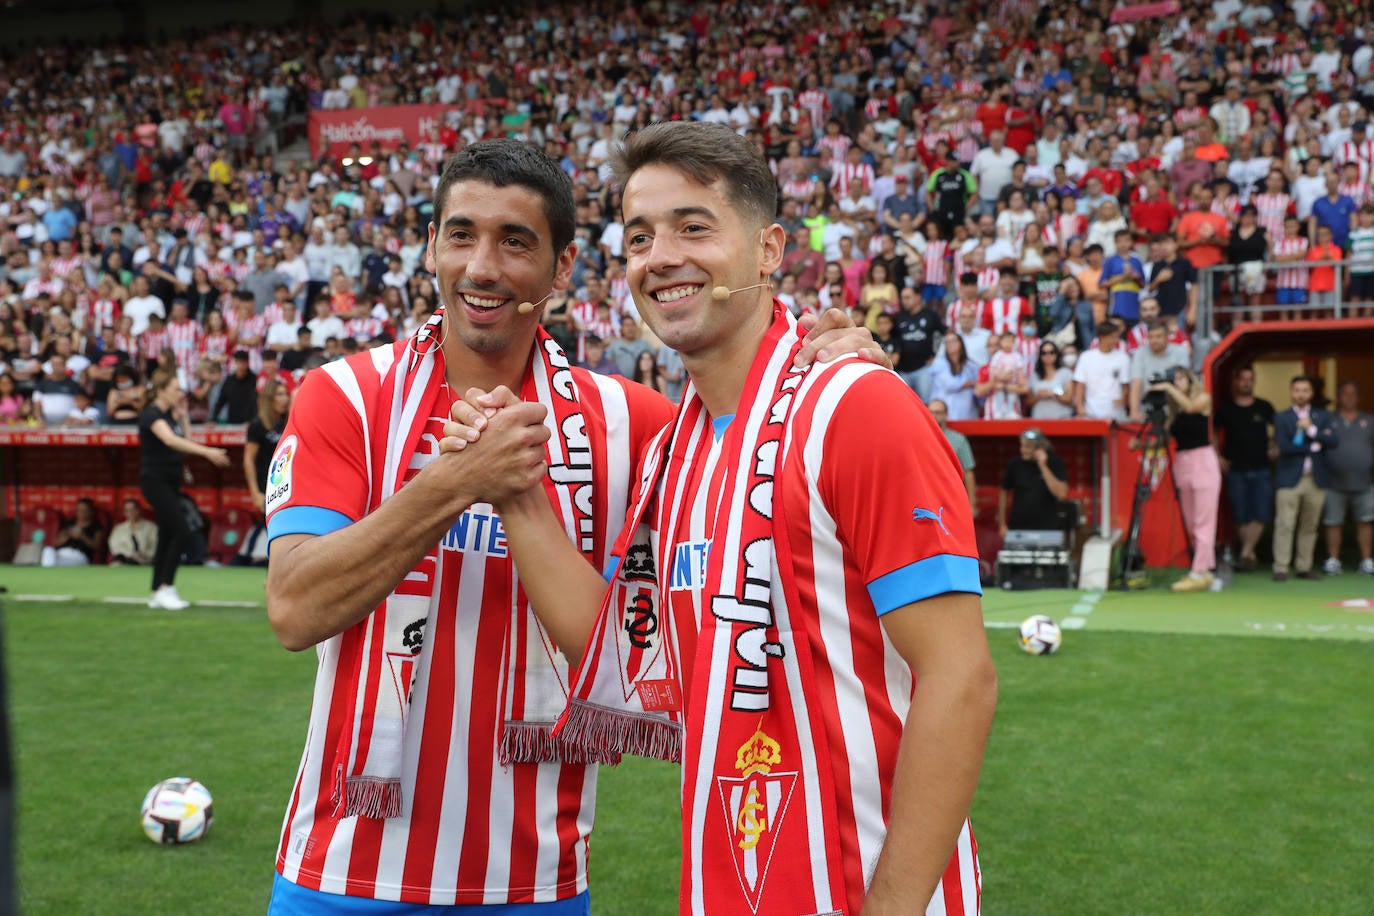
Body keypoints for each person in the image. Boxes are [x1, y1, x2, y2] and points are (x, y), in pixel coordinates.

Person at [262, 138, 874, 913]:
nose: (483, 267)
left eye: (515, 242)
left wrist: (834, 364)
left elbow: (773, 430)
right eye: (461, 235)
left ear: (560, 271)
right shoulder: (344, 395)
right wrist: (453, 484)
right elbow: (293, 608)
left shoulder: (637, 424)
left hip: (537, 887)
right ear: (430, 249)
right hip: (339, 878)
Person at [454, 120, 992, 916]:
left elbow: (961, 678)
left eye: (692, 226)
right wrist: (517, 496)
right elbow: (631, 664)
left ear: (770, 250)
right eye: (639, 237)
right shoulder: (677, 453)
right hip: (728, 889)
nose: (660, 256)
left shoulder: (855, 405)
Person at [139, 369, 231, 609]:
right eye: (176, 389)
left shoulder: (172, 415)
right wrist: (208, 451)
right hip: (154, 481)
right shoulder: (152, 415)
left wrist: (183, 418)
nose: (181, 393)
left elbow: (185, 442)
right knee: (180, 529)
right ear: (161, 391)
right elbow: (170, 440)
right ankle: (166, 587)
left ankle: (157, 590)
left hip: (170, 481)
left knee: (166, 534)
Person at [1150, 367, 1223, 591]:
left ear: (1190, 380)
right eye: (1173, 379)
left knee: (1204, 521)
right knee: (1191, 522)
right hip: (1183, 463)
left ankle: (1198, 571)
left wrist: (1168, 388)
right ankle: (1205, 568)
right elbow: (1164, 439)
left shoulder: (1203, 398)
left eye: (1180, 378)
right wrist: (1140, 444)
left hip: (1203, 461)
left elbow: (1192, 407)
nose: (1176, 383)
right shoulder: (1174, 413)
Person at [1272, 376, 1340, 582]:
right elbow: (1284, 446)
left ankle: (1304, 566)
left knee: (1310, 525)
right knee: (1285, 523)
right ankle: (1281, 567)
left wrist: (1312, 430)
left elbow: (1333, 441)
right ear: (1291, 392)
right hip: (1289, 477)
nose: (1300, 394)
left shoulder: (1322, 416)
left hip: (1315, 479)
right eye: (1297, 390)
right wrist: (1312, 446)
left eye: (1305, 390)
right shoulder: (1281, 417)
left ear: (1311, 394)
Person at [1214, 365, 1276, 571]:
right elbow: (1212, 432)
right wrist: (1218, 456)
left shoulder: (1264, 406)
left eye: (1250, 379)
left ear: (1254, 381)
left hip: (1262, 468)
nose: (1246, 383)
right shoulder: (1226, 408)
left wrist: (1276, 447)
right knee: (1240, 514)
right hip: (1235, 468)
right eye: (1242, 379)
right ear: (1236, 382)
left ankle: (1246, 551)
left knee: (1261, 512)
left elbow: (1280, 429)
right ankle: (1249, 553)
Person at [1322, 381, 1374, 575]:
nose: (1349, 397)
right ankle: (1333, 560)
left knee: (1365, 521)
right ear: (1338, 398)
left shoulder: (1369, 421)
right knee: (1333, 522)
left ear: (1358, 398)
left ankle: (1367, 561)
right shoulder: (1328, 420)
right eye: (1344, 394)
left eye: (1353, 394)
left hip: (1364, 481)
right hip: (1334, 481)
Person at [997, 428, 1070, 539]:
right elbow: (1004, 492)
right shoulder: (1015, 464)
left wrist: (1043, 466)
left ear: (1040, 448)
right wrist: (1002, 524)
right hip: (1018, 529)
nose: (1022, 450)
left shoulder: (1055, 462)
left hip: (1048, 529)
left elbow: (1061, 494)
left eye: (1027, 447)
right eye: (1021, 446)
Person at [1072, 319, 1129, 420]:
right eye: (1112, 337)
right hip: (1091, 409)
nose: (1115, 341)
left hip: (1114, 410)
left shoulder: (1123, 358)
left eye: (1117, 337)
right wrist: (1079, 406)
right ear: (1101, 337)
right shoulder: (1086, 357)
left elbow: (1126, 385)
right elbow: (1080, 384)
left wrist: (1122, 398)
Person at [928, 398, 977, 514]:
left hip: (952, 497)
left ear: (946, 415)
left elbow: (968, 473)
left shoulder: (958, 440)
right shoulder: (920, 438)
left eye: (938, 412)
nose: (933, 416)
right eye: (930, 412)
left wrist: (972, 504)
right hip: (928, 497)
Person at [929, 330, 980, 420]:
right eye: (947, 342)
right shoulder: (938, 363)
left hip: (967, 414)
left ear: (961, 343)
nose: (949, 344)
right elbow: (950, 384)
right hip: (942, 416)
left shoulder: (971, 365)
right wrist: (970, 383)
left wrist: (972, 384)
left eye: (952, 341)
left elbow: (979, 385)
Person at [40, 497, 105, 567]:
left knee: (56, 562)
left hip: (79, 556)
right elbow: (55, 543)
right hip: (62, 553)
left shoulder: (96, 527)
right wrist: (66, 537)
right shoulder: (69, 524)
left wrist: (83, 536)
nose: (82, 513)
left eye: (85, 510)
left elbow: (98, 547)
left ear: (91, 511)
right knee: (48, 550)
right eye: (79, 510)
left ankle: (49, 573)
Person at [1027, 340, 1075, 419]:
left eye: (1051, 352)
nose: (1048, 355)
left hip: (1062, 419)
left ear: (1057, 354)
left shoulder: (1066, 373)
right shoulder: (1034, 375)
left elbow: (1070, 400)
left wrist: (1054, 394)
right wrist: (1038, 396)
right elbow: (1027, 402)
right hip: (1039, 419)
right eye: (1044, 353)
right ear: (1040, 356)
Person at [108, 497, 157, 566]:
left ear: (139, 510)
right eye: (127, 510)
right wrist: (130, 553)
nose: (130, 513)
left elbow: (155, 546)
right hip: (123, 558)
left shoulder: (151, 527)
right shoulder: (119, 528)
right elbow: (114, 546)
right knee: (118, 560)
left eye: (133, 509)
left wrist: (144, 555)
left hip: (143, 560)